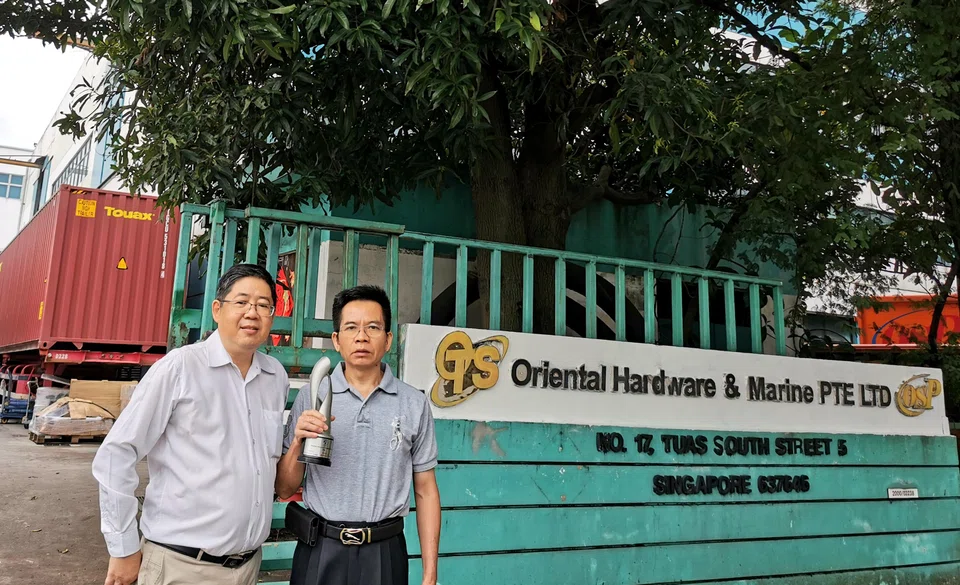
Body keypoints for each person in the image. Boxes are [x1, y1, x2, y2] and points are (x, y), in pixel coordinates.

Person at [92, 263, 289, 585]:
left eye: (263, 305)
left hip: (247, 566)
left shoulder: (274, 376)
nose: (252, 313)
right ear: (217, 309)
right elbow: (117, 453)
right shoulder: (180, 367)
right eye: (241, 302)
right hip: (181, 566)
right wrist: (123, 547)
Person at [276, 284, 441, 585]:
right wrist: (298, 441)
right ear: (337, 340)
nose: (361, 336)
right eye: (351, 327)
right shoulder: (313, 395)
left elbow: (426, 490)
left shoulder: (413, 403)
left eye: (373, 327)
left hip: (385, 552)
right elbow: (285, 488)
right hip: (321, 548)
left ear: (388, 339)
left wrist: (430, 573)